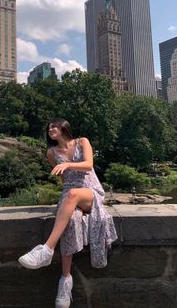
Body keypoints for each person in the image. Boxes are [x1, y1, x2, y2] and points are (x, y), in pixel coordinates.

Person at [18, 118, 118, 308]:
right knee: (70, 220)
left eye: (54, 126)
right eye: (48, 128)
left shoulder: (82, 142)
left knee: (72, 194)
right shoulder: (51, 153)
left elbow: (88, 165)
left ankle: (46, 249)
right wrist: (67, 198)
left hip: (90, 192)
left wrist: (68, 165)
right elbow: (65, 181)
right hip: (71, 194)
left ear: (64, 127)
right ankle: (65, 280)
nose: (50, 129)